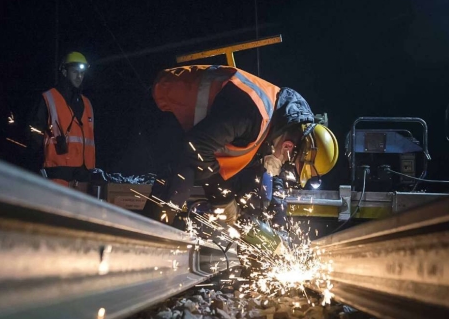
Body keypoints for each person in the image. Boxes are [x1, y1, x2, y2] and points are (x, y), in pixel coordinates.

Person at [141, 65, 339, 249]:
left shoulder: (277, 131)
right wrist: (222, 199)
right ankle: (146, 245)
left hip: (199, 133)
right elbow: (196, 147)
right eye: (289, 164)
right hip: (168, 108)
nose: (283, 167)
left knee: (250, 197)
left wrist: (277, 235)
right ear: (288, 147)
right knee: (179, 182)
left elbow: (267, 190)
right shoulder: (253, 114)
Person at [28, 51, 98, 190]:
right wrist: (37, 163)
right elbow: (33, 134)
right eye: (75, 72)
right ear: (64, 72)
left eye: (82, 73)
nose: (79, 76)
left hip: (83, 176)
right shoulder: (48, 98)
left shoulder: (87, 103)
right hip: (57, 173)